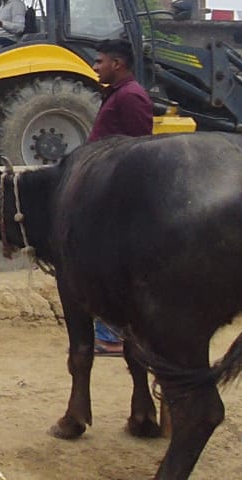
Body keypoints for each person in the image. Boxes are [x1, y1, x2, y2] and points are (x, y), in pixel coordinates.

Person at [87, 37, 153, 355]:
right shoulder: (116, 95)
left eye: (100, 61)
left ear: (118, 64)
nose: (95, 66)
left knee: (110, 267)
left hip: (116, 197)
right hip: (104, 191)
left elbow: (138, 150)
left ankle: (110, 335)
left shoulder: (131, 98)